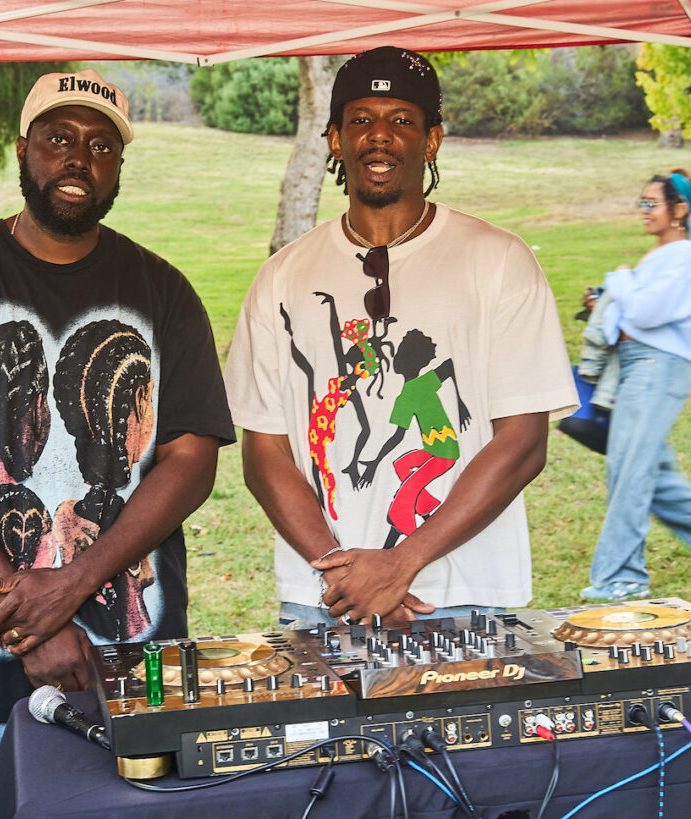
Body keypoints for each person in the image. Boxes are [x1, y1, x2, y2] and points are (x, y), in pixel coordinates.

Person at [0, 69, 234, 819]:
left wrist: (75, 580)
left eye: (101, 146)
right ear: (23, 150)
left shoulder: (164, 291)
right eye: (59, 138)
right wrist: (35, 624)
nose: (79, 158)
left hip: (136, 669)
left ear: (118, 167)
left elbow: (192, 460)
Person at [224, 47, 579, 630]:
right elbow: (264, 453)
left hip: (459, 596)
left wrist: (401, 565)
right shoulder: (282, 277)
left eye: (402, 120)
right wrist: (344, 573)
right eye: (361, 119)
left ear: (431, 140)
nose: (380, 135)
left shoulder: (499, 261)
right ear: (335, 139)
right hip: (322, 599)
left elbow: (523, 442)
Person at [580, 170, 691, 602]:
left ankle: (624, 577)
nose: (643, 211)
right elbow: (633, 314)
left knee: (630, 470)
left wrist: (620, 281)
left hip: (657, 367)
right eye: (641, 202)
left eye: (651, 203)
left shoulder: (684, 257)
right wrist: (605, 301)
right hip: (638, 366)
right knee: (646, 469)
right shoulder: (663, 256)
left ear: (679, 210)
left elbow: (647, 313)